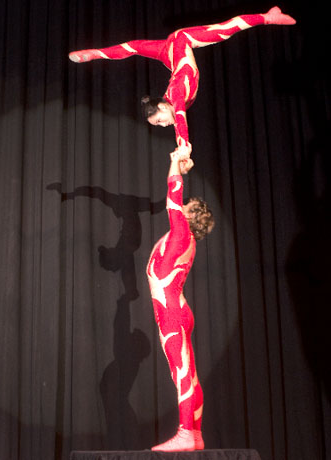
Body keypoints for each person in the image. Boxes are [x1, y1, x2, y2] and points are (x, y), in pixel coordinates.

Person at [69, 6, 296, 156]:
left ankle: (268, 17)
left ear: (162, 106)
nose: (162, 125)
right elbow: (176, 117)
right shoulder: (170, 98)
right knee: (133, 47)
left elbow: (180, 119)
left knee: (227, 28)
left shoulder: (176, 96)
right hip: (168, 54)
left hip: (181, 41)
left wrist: (184, 146)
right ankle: (96, 54)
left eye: (159, 121)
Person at [146, 150, 214, 451]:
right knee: (189, 371)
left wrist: (175, 161)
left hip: (171, 313)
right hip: (177, 309)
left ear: (189, 216)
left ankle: (186, 433)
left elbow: (173, 191)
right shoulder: (186, 241)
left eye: (185, 208)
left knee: (182, 373)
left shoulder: (180, 231)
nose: (180, 207)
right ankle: (196, 434)